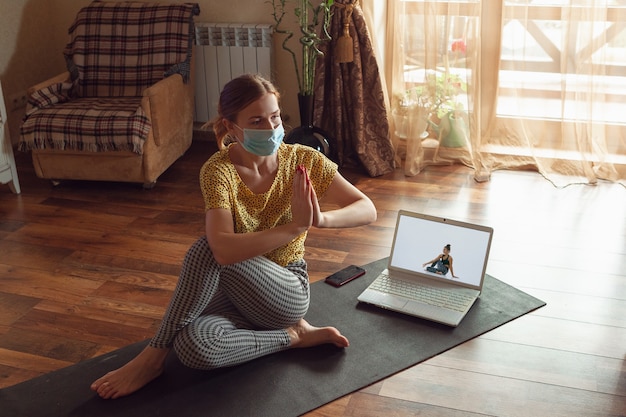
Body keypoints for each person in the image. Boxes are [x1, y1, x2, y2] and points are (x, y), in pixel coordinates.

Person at [90, 74, 377, 400]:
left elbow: (366, 208)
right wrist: (293, 227)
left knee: (206, 249)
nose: (270, 128)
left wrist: (318, 219)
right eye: (256, 120)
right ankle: (293, 337)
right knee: (192, 348)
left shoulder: (303, 159)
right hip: (234, 292)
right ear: (231, 126)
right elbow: (225, 251)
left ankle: (152, 357)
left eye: (274, 116)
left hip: (284, 292)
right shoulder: (218, 171)